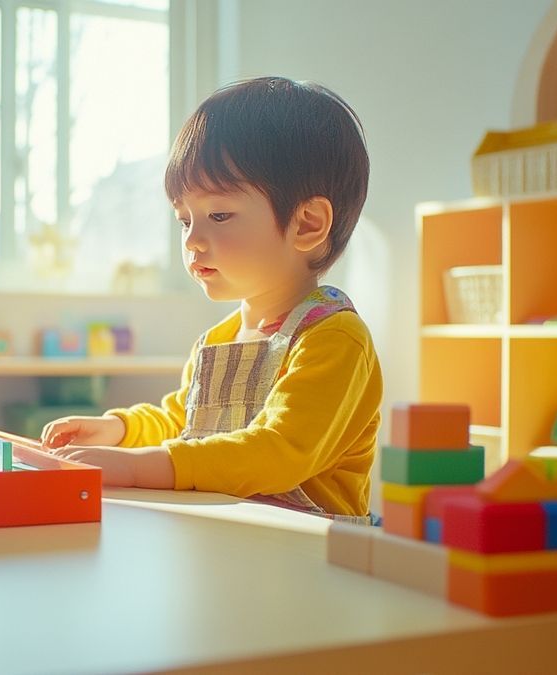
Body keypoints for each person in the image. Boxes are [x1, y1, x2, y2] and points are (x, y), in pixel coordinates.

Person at [41, 76, 382, 521]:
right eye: (185, 221)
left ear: (307, 224)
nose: (193, 241)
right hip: (228, 541)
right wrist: (119, 430)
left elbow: (275, 452)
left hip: (308, 557)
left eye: (219, 215)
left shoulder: (334, 338)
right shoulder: (218, 339)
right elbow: (181, 423)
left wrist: (142, 466)